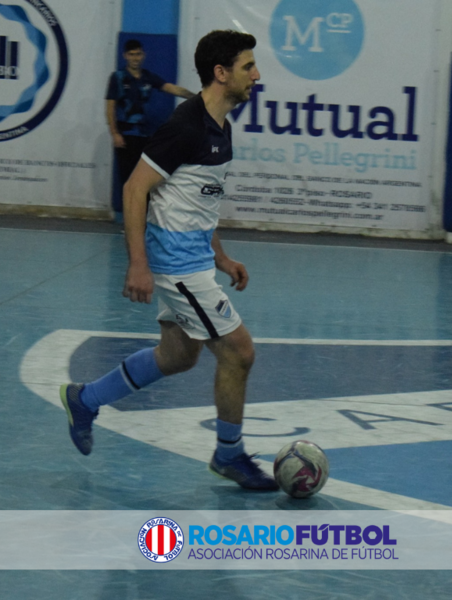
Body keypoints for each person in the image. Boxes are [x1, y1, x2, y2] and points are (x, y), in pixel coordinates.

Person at [62, 30, 276, 491]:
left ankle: (86, 399)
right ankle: (229, 455)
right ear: (221, 74)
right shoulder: (185, 127)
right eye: (247, 67)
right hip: (175, 264)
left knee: (178, 355)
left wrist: (219, 254)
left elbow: (200, 199)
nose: (256, 75)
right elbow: (135, 189)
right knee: (239, 353)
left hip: (195, 256)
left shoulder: (222, 127)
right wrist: (137, 263)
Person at [106, 39, 194, 205]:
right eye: (131, 54)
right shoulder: (117, 78)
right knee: (127, 181)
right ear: (125, 56)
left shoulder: (148, 77)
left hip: (145, 137)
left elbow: (171, 88)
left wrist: (197, 97)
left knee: (144, 181)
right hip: (125, 137)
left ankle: (144, 222)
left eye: (138, 54)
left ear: (143, 55)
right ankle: (129, 224)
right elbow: (110, 107)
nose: (135, 58)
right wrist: (115, 133)